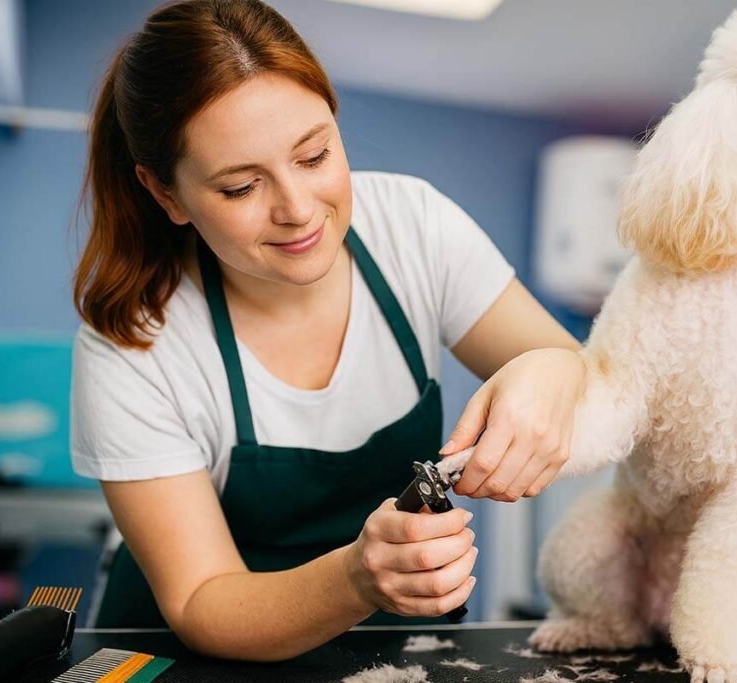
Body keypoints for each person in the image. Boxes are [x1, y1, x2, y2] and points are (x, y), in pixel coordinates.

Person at [70, 0, 585, 662]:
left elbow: (572, 368)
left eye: (314, 155)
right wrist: (355, 578)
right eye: (240, 188)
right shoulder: (134, 344)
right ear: (166, 193)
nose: (298, 209)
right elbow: (202, 598)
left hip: (385, 648)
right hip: (187, 659)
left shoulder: (413, 226)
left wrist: (556, 368)